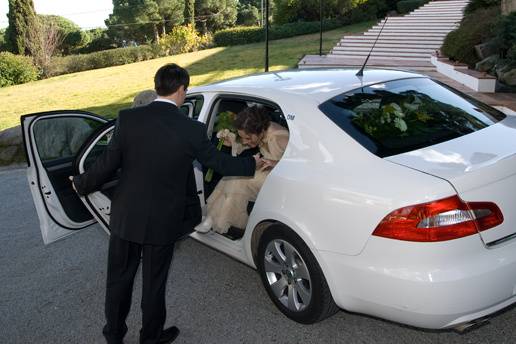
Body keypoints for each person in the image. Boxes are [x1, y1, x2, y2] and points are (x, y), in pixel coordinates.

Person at [70, 63, 262, 344]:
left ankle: (113, 336)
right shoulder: (191, 129)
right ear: (182, 89)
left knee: (119, 281)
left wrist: (80, 184)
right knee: (154, 283)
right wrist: (251, 162)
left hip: (126, 218)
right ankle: (151, 337)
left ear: (157, 86)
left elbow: (105, 166)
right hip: (162, 221)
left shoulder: (128, 118)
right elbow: (219, 162)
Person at [195, 106, 289, 234]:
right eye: (243, 137)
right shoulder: (259, 131)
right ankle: (212, 217)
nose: (245, 141)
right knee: (232, 175)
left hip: (281, 179)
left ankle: (219, 220)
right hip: (266, 171)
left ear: (260, 130)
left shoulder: (281, 138)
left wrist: (277, 163)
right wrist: (232, 143)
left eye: (248, 138)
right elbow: (243, 145)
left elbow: (304, 163)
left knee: (239, 179)